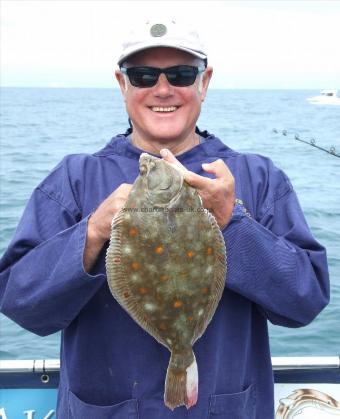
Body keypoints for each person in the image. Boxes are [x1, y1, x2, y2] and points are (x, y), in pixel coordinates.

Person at [0, 18, 329, 419]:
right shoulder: (73, 179)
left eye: (181, 74)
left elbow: (305, 303)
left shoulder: (258, 179)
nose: (162, 89)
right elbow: (20, 304)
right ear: (123, 86)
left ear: (203, 82)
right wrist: (93, 231)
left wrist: (234, 222)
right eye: (142, 76)